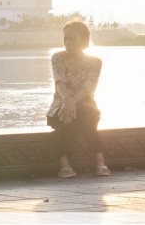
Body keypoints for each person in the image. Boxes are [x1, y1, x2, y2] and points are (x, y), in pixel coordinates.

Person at [46, 20, 111, 178]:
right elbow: (59, 82)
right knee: (68, 117)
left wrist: (71, 103)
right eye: (65, 38)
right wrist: (67, 101)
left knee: (84, 116)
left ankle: (66, 165)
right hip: (59, 108)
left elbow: (88, 88)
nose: (67, 42)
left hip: (86, 108)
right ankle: (99, 163)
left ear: (85, 40)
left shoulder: (95, 62)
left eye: (72, 38)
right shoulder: (57, 58)